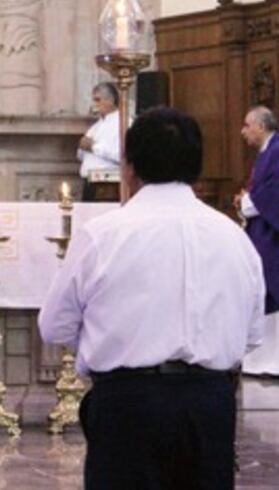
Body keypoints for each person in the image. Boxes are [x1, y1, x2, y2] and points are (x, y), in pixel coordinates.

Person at [39, 107, 264, 489]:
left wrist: (109, 344)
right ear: (196, 166)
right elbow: (251, 334)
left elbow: (55, 325)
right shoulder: (234, 238)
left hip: (129, 402)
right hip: (209, 404)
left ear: (129, 167)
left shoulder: (103, 235)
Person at [236, 105, 279, 375]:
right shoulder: (267, 151)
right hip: (261, 229)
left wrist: (248, 202)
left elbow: (274, 192)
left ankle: (271, 359)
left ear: (261, 126)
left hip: (271, 235)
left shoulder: (277, 151)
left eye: (246, 125)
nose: (243, 132)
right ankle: (262, 358)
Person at [76, 82, 120, 201]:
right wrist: (82, 146)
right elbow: (82, 156)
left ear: (110, 100)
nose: (94, 104)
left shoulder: (122, 122)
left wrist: (93, 146)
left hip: (107, 185)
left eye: (97, 100)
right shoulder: (95, 126)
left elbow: (121, 155)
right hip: (89, 182)